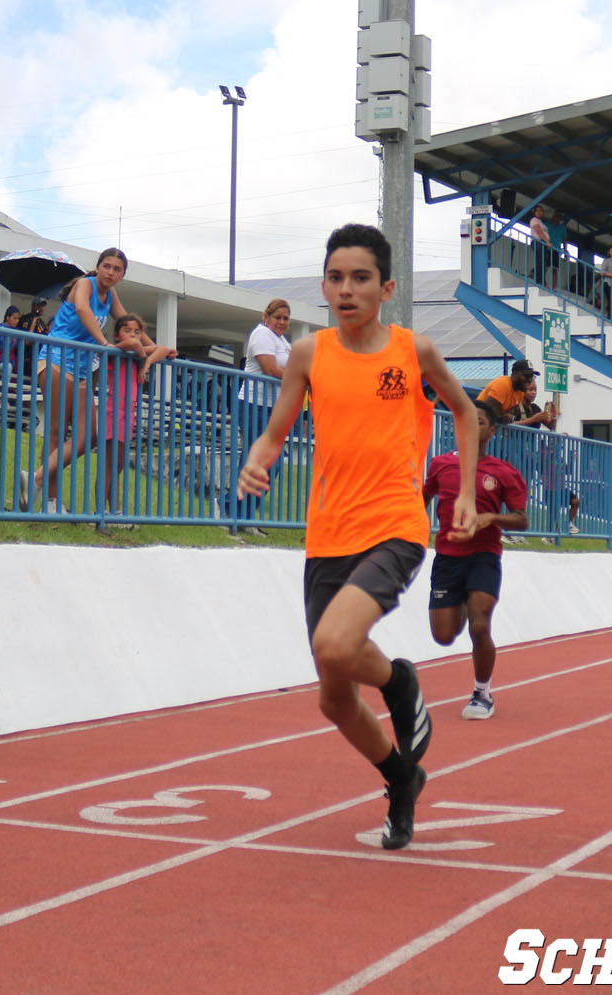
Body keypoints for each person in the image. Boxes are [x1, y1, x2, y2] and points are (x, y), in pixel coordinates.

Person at [236, 223, 479, 851]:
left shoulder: (414, 350)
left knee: (336, 643)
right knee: (333, 696)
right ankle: (401, 779)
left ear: (386, 288)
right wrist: (259, 456)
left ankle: (400, 683)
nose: (347, 289)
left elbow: (466, 411)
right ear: (324, 285)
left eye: (361, 278)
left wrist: (469, 493)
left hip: (395, 524)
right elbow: (276, 428)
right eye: (336, 278)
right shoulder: (309, 353)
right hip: (327, 533)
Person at [422, 398, 529, 720]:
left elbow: (522, 519)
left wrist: (491, 518)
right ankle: (462, 608)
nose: (470, 426)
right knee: (443, 636)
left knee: (480, 622)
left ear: (491, 431)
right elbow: (421, 500)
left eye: (478, 422)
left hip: (484, 555)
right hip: (447, 557)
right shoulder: (441, 464)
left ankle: (482, 693)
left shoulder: (503, 472)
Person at [19, 247, 128, 514]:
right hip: (56, 359)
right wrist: (104, 343)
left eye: (117, 269)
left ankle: (35, 479)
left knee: (88, 436)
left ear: (122, 274)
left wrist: (155, 347)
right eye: (107, 266)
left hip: (80, 368)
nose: (111, 272)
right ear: (98, 266)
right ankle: (51, 502)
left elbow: (126, 322)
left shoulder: (110, 294)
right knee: (57, 433)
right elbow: (82, 309)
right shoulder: (84, 284)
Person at [100, 314, 176, 517]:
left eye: (137, 331)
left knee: (118, 466)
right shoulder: (115, 351)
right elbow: (134, 343)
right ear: (116, 335)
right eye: (127, 330)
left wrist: (147, 362)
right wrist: (143, 355)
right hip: (112, 412)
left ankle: (114, 510)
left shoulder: (134, 356)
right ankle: (100, 511)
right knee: (109, 465)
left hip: (128, 414)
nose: (133, 335)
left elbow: (165, 349)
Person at [232, 297, 294, 532]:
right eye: (277, 317)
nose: (281, 322)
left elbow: (288, 368)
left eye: (285, 318)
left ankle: (235, 510)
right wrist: (297, 378)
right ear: (266, 317)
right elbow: (269, 368)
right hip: (253, 404)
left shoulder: (282, 341)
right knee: (257, 460)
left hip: (272, 407)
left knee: (272, 463)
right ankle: (239, 516)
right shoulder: (261, 334)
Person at [529, 205, 553, 286]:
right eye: (537, 211)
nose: (539, 212)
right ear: (534, 212)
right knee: (540, 262)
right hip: (538, 242)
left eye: (541, 210)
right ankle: (540, 281)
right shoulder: (534, 220)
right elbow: (539, 231)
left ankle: (542, 281)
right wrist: (547, 241)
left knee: (543, 263)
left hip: (542, 243)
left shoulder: (541, 223)